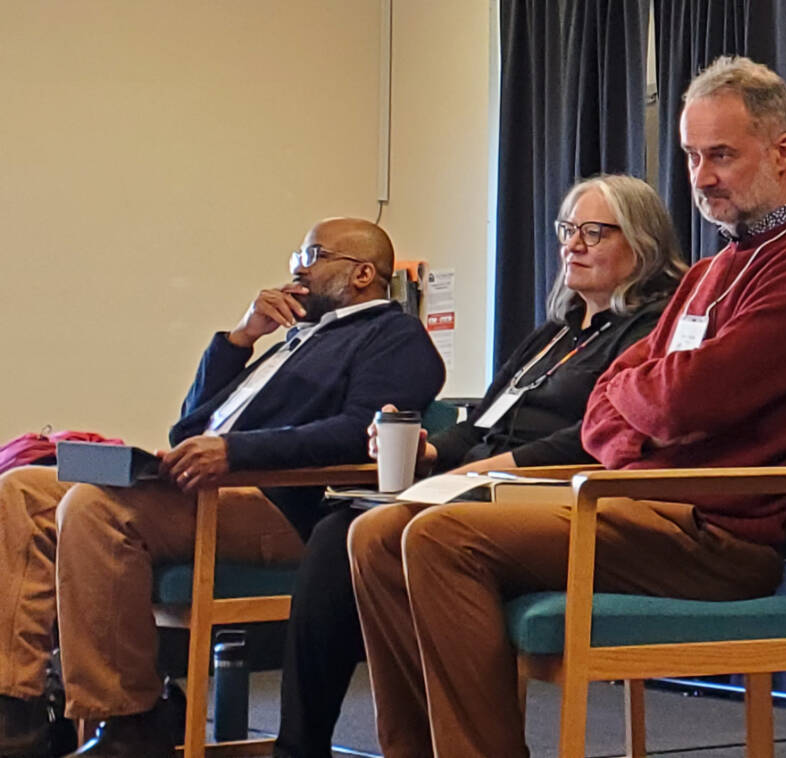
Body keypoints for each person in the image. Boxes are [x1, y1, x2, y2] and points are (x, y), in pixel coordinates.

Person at [347, 57, 786, 758]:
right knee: (376, 536)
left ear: (783, 150)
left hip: (714, 535)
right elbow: (615, 412)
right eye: (692, 156)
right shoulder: (708, 271)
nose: (701, 177)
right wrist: (644, 407)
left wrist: (643, 408)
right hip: (636, 506)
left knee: (442, 538)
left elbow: (681, 404)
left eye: (721, 155)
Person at [273, 176, 685, 758]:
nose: (573, 244)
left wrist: (477, 473)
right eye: (568, 230)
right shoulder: (554, 334)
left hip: (549, 492)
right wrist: (428, 450)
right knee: (337, 530)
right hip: (476, 482)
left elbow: (592, 439)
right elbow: (481, 419)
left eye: (594, 232)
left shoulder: (650, 330)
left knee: (369, 533)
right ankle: (335, 746)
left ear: (642, 245)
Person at [0, 218, 443, 758]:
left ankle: (129, 723)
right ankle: (14, 712)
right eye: (295, 256)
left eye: (312, 255)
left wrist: (237, 453)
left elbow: (361, 430)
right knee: (21, 490)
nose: (296, 269)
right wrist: (241, 338)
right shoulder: (294, 341)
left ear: (362, 273)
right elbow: (188, 429)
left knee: (96, 507)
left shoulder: (394, 336)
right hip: (208, 488)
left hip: (278, 504)